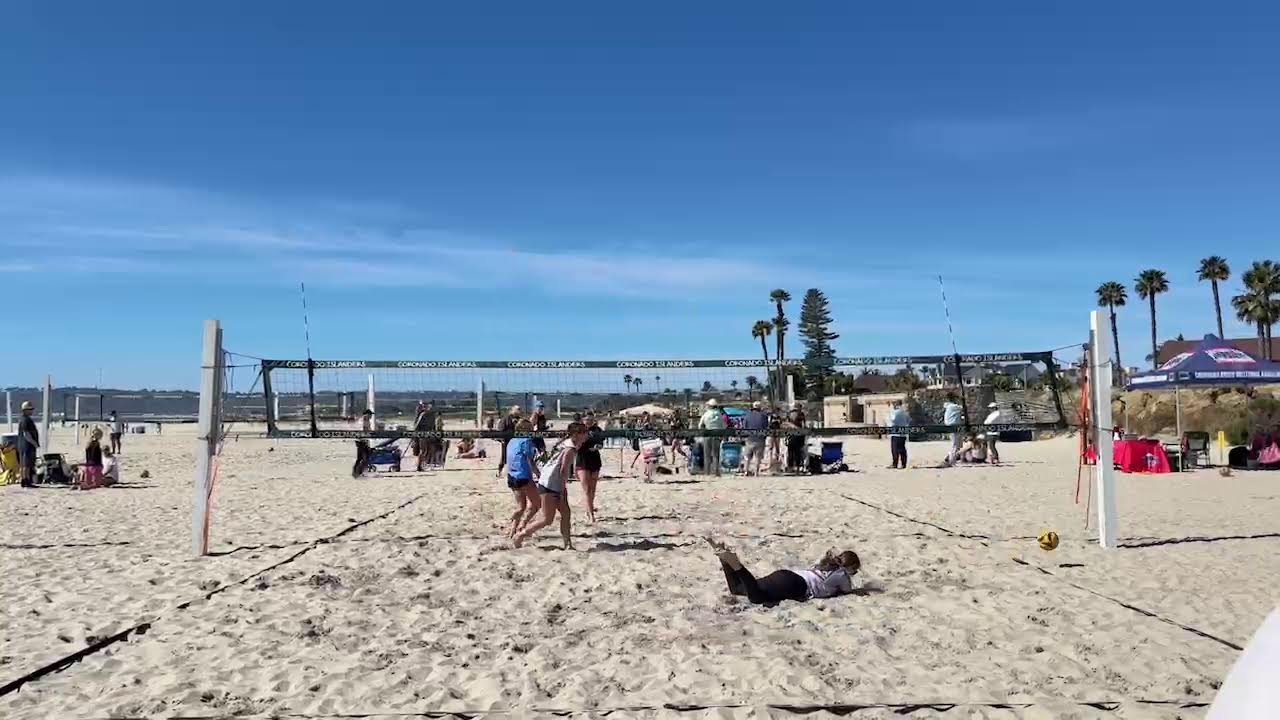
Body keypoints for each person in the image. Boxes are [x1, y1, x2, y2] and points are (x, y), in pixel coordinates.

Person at [706, 537, 861, 606]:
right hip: (797, 585)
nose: (855, 573)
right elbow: (847, 590)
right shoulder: (841, 574)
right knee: (757, 597)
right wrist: (849, 578)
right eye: (855, 570)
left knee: (738, 589)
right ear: (850, 567)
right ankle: (736, 565)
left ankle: (724, 559)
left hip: (789, 575)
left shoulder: (826, 564)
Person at [514, 422, 589, 549]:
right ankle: (521, 534)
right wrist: (561, 490)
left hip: (553, 482)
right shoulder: (569, 449)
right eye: (584, 433)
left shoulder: (566, 443)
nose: (586, 435)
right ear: (576, 434)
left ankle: (568, 544)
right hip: (550, 484)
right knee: (547, 519)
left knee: (566, 513)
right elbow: (563, 470)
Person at [505, 419, 542, 537]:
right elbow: (530, 461)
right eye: (531, 429)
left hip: (511, 476)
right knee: (537, 504)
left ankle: (512, 531)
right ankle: (522, 524)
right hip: (523, 476)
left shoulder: (511, 440)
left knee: (521, 507)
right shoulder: (526, 440)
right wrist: (539, 475)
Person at [576, 411, 605, 522]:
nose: (589, 421)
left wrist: (598, 446)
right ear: (583, 420)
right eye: (587, 419)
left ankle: (589, 508)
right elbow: (575, 446)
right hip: (582, 460)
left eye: (591, 419)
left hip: (595, 459)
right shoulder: (578, 430)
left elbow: (602, 443)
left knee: (592, 488)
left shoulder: (597, 430)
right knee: (586, 489)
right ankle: (590, 513)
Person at [741, 401, 769, 476]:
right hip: (760, 438)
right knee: (758, 457)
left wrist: (745, 436)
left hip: (750, 438)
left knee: (747, 456)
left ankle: (746, 471)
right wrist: (764, 437)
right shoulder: (764, 416)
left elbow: (744, 427)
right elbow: (766, 428)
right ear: (760, 408)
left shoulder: (747, 415)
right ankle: (756, 472)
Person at [699, 399, 725, 477]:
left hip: (707, 434)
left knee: (707, 455)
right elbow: (723, 426)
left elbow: (700, 425)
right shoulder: (719, 415)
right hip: (716, 435)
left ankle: (707, 472)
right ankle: (716, 472)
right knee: (716, 455)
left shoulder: (706, 414)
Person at [17, 400, 39, 488]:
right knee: (26, 464)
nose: (31, 411)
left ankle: (23, 480)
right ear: (25, 410)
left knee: (23, 464)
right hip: (27, 445)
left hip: (23, 445)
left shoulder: (23, 419)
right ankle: (26, 481)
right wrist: (34, 443)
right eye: (30, 409)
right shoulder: (25, 420)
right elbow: (27, 434)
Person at [886, 399, 911, 469]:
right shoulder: (905, 412)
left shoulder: (895, 412)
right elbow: (909, 420)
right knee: (902, 449)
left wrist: (889, 412)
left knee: (895, 449)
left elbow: (892, 420)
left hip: (895, 433)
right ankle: (903, 464)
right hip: (903, 433)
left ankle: (895, 464)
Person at [942, 393, 964, 465]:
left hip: (952, 426)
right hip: (954, 426)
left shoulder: (949, 406)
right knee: (955, 445)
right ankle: (952, 461)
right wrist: (961, 399)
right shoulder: (953, 406)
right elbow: (962, 407)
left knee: (957, 444)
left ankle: (948, 457)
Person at [785, 401, 807, 473]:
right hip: (799, 435)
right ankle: (797, 467)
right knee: (798, 452)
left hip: (790, 435)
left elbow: (786, 424)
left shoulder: (789, 413)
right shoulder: (801, 414)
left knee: (790, 451)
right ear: (799, 407)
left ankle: (790, 467)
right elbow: (803, 425)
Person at [352, 409, 373, 478]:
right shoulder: (361, 421)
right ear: (366, 414)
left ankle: (358, 472)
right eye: (370, 415)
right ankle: (357, 472)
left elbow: (368, 431)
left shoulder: (368, 421)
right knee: (363, 458)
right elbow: (361, 431)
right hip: (360, 441)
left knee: (363, 458)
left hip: (364, 441)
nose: (371, 416)